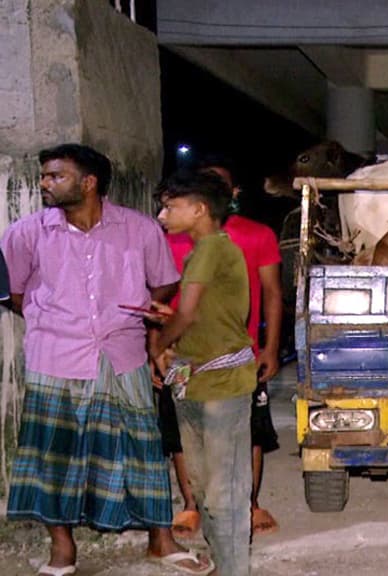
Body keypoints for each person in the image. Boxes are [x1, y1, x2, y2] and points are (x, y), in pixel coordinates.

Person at [0, 144, 212, 576]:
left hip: (121, 355)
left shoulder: (139, 230)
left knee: (141, 450)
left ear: (89, 182)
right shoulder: (27, 233)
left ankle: (161, 541)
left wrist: (126, 314)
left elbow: (164, 285)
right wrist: (58, 318)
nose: (45, 183)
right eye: (44, 176)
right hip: (55, 356)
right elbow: (17, 293)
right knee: (53, 455)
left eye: (55, 175)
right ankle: (63, 551)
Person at [158, 155, 283, 537]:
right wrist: (157, 347)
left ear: (232, 193)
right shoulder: (169, 239)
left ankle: (249, 503)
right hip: (183, 353)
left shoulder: (257, 234)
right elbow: (159, 294)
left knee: (249, 428)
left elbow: (273, 294)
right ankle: (191, 504)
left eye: (219, 183)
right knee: (183, 427)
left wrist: (271, 347)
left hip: (239, 353)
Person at [149, 170, 257, 576]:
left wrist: (159, 344)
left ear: (199, 209)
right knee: (208, 488)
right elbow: (196, 315)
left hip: (220, 386)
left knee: (223, 492)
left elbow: (189, 312)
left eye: (170, 207)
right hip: (198, 383)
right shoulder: (206, 250)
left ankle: (234, 569)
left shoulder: (210, 248)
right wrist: (170, 319)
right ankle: (226, 563)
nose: (162, 215)